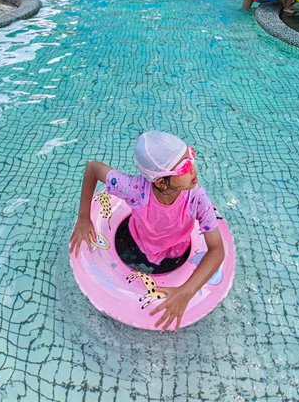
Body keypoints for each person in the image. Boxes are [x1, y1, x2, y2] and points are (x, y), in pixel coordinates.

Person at [69, 131, 224, 331]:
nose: (194, 168)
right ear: (161, 182)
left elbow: (217, 250)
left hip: (177, 251)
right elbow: (92, 169)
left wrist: (186, 291)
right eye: (185, 166)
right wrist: (84, 216)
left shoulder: (197, 198)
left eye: (191, 156)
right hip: (138, 243)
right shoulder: (134, 189)